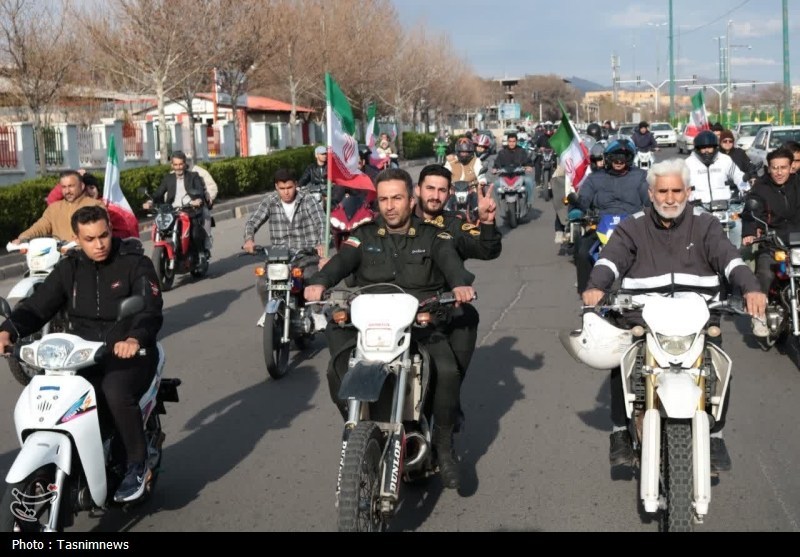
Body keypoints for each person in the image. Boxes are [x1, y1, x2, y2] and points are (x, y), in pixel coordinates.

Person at [582, 158, 766, 472]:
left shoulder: (706, 224)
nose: (670, 198)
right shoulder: (632, 226)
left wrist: (751, 287)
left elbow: (729, 258)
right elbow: (611, 259)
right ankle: (618, 432)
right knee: (623, 363)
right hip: (643, 317)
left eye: (677, 191)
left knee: (718, 366)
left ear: (688, 191)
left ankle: (716, 434)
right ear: (650, 193)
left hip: (700, 316)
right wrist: (595, 286)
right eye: (662, 191)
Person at [304, 167, 476, 490]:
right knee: (336, 370)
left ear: (412, 200)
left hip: (420, 324)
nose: (390, 206)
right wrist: (320, 282)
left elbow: (450, 261)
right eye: (383, 199)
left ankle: (442, 444)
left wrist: (459, 284)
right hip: (371, 326)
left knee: (448, 372)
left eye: (397, 198)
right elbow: (342, 261)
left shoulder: (432, 235)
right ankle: (361, 431)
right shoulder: (364, 235)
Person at [0, 205, 164, 503]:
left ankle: (136, 465)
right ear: (77, 238)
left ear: (111, 231)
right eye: (90, 239)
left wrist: (133, 338)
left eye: (103, 235)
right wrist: (8, 329)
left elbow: (150, 309)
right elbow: (39, 305)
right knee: (54, 398)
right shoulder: (70, 267)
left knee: (114, 390)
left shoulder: (134, 262)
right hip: (81, 354)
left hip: (130, 353)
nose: (99, 244)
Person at [414, 164, 500, 392]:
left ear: (449, 193)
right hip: (399, 308)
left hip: (440, 306)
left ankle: (450, 397)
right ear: (417, 190)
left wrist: (488, 222)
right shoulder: (400, 222)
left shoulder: (455, 224)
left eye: (441, 190)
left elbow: (487, 250)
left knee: (465, 317)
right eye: (430, 188)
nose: (435, 196)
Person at [573, 138, 650, 294]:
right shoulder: (594, 178)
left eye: (624, 156)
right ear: (607, 157)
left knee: (655, 250)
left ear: (631, 158)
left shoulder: (641, 176)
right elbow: (584, 199)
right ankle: (586, 293)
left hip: (633, 227)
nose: (619, 160)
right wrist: (579, 203)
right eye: (615, 155)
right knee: (582, 252)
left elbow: (649, 201)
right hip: (601, 225)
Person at [242, 168, 326, 305]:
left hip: (306, 254)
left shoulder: (307, 200)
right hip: (279, 258)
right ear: (276, 187)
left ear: (296, 185)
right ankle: (269, 313)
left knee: (312, 278)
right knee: (263, 283)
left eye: (289, 187)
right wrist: (249, 239)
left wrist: (322, 243)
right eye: (282, 188)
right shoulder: (270, 202)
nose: (286, 192)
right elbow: (252, 221)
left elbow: (321, 222)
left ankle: (316, 313)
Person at [742, 148, 800, 336]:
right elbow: (751, 214)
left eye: (783, 167)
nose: (779, 172)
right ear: (769, 168)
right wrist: (750, 233)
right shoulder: (760, 188)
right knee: (765, 273)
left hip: (798, 243)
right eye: (774, 168)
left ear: (792, 167)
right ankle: (758, 314)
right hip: (774, 242)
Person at [685, 130, 749, 248]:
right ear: (697, 149)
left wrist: (746, 189)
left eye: (710, 147)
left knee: (736, 224)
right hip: (700, 206)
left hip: (725, 206)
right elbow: (681, 184)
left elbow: (738, 176)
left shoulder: (725, 160)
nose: (706, 151)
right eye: (703, 148)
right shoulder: (688, 163)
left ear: (715, 147)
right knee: (695, 231)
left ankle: (735, 255)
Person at [143, 151, 209, 260]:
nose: (178, 167)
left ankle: (201, 253)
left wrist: (197, 200)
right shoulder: (168, 178)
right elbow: (158, 193)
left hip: (189, 210)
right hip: (172, 211)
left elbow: (200, 191)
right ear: (172, 165)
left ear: (184, 164)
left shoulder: (193, 176)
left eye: (181, 164)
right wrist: (150, 202)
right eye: (176, 165)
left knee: (195, 233)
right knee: (161, 229)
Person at [11, 169, 105, 246]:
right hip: (60, 258)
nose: (67, 191)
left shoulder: (95, 205)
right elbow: (40, 226)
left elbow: (102, 232)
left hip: (87, 258)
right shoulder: (54, 208)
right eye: (64, 187)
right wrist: (22, 238)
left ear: (82, 186)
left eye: (71, 186)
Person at [492, 131, 534, 211]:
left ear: (516, 141)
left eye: (514, 141)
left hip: (519, 175)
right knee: (496, 184)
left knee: (529, 181)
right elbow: (497, 163)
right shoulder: (502, 152)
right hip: (504, 176)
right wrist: (494, 169)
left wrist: (529, 166)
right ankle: (499, 204)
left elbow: (528, 161)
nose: (512, 143)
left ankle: (529, 202)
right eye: (510, 141)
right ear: (507, 142)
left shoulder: (521, 151)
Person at [187, 156, 218, 250]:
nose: (179, 166)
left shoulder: (200, 172)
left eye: (182, 163)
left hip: (197, 204)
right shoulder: (173, 174)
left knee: (205, 214)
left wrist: (209, 196)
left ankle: (207, 238)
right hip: (179, 206)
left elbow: (211, 186)